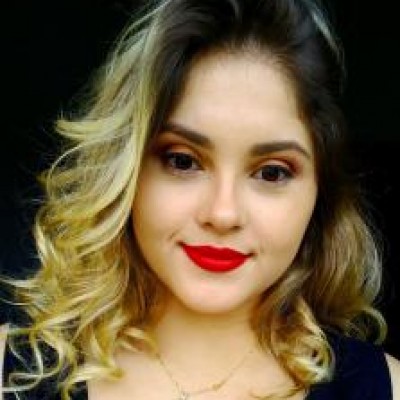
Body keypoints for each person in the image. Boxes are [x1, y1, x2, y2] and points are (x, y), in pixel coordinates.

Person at [1, 0, 400, 399]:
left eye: (271, 172)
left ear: (319, 193)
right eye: (183, 161)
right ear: (125, 168)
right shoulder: (10, 372)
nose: (222, 214)